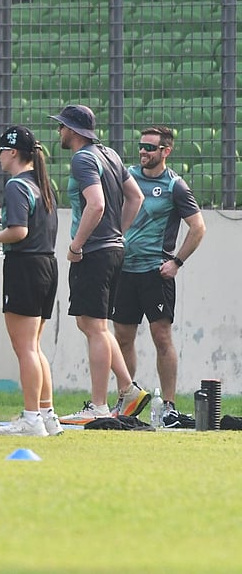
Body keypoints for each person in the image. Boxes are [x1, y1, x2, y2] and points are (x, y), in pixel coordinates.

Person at [52, 105, 149, 425]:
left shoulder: (82, 159)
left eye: (63, 127)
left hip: (93, 251)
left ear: (75, 131)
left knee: (93, 327)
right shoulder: (109, 154)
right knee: (93, 325)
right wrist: (117, 233)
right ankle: (127, 387)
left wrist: (77, 245)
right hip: (112, 249)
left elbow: (96, 203)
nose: (59, 132)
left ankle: (98, 405)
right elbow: (136, 197)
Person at [111, 125, 206, 426]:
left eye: (150, 148)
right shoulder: (127, 177)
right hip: (124, 270)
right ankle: (125, 400)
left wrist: (176, 261)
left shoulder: (174, 185)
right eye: (141, 146)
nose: (143, 152)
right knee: (122, 337)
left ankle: (168, 407)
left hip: (156, 273)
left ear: (166, 151)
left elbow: (198, 227)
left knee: (161, 337)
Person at [0, 126, 62, 437]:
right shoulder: (42, 184)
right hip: (46, 266)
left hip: (26, 267)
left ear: (13, 152)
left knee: (25, 347)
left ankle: (31, 418)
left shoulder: (17, 186)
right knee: (34, 346)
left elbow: (19, 232)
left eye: (2, 151)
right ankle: (45, 413)